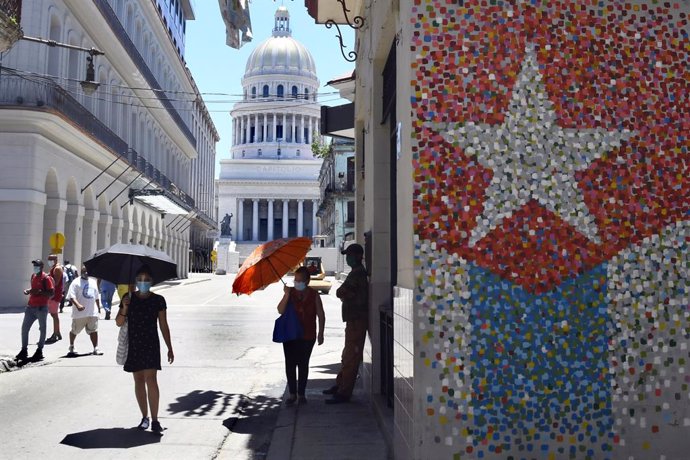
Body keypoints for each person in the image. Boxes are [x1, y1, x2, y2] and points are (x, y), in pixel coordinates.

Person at [115, 265, 174, 433]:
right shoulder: (128, 298)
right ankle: (144, 418)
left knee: (151, 380)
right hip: (134, 344)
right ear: (135, 281)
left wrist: (169, 347)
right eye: (140, 279)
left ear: (152, 281)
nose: (143, 282)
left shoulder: (158, 300)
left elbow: (163, 324)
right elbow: (118, 322)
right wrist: (125, 307)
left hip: (150, 344)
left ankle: (155, 420)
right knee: (138, 380)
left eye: (146, 280)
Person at [324, 243, 369, 404]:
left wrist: (344, 294)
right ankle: (340, 384)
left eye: (350, 255)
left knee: (351, 357)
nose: (347, 258)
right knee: (346, 355)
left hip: (357, 319)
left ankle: (344, 392)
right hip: (353, 319)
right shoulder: (355, 273)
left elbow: (340, 291)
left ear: (358, 256)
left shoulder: (357, 273)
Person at [276, 266, 325, 405]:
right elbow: (280, 310)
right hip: (290, 334)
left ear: (307, 281)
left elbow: (321, 315)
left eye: (300, 280)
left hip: (307, 335)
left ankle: (301, 394)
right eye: (295, 280)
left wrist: (321, 333)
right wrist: (286, 295)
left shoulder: (314, 295)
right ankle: (292, 394)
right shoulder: (290, 292)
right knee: (290, 363)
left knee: (303, 364)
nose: (297, 282)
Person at [16, 259, 54, 362]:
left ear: (41, 267)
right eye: (34, 265)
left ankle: (39, 350)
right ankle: (24, 350)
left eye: (36, 265)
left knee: (42, 329)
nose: (35, 267)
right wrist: (29, 290)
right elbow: (33, 288)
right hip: (31, 307)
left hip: (41, 307)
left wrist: (40, 292)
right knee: (24, 329)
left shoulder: (46, 278)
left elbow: (51, 293)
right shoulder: (33, 276)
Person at [67, 265, 102, 356]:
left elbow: (96, 296)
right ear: (81, 272)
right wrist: (78, 305)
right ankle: (71, 346)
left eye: (87, 271)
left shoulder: (93, 282)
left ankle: (96, 348)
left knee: (93, 330)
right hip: (79, 314)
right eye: (83, 271)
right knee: (74, 331)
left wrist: (98, 308)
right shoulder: (75, 282)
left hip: (92, 312)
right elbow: (71, 296)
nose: (86, 273)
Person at [45, 254, 64, 344]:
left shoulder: (57, 269)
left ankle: (55, 334)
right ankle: (58, 332)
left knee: (54, 315)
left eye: (51, 259)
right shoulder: (54, 268)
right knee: (54, 314)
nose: (49, 261)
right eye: (48, 259)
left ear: (56, 260)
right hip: (54, 294)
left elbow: (55, 283)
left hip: (54, 295)